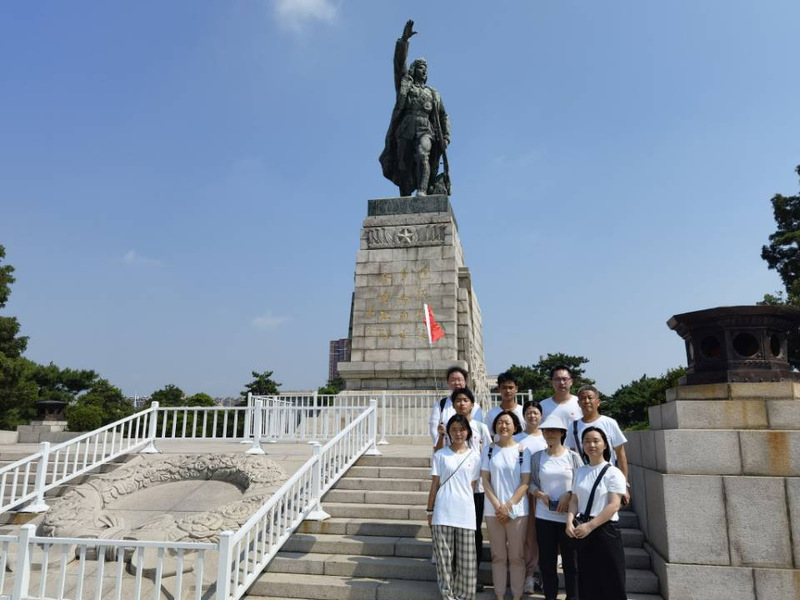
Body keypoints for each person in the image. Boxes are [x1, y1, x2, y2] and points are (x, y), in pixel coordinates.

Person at [379, 19, 451, 197]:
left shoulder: (433, 93)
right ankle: (405, 194)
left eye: (425, 68)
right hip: (405, 128)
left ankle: (422, 190)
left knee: (422, 154)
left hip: (425, 129)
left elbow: (443, 116)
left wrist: (446, 136)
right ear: (413, 69)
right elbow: (398, 64)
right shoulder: (405, 85)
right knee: (403, 163)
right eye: (420, 67)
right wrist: (404, 40)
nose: (424, 70)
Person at [566, 427, 628, 600]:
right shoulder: (580, 471)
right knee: (587, 581)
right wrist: (569, 521)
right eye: (587, 441)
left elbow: (614, 505)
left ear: (605, 445)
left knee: (611, 580)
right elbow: (574, 500)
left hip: (605, 530)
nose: (591, 445)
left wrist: (590, 526)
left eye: (596, 441)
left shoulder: (613, 472)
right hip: (582, 531)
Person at [427, 414, 482, 600]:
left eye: (462, 429)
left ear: (468, 432)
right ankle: (447, 595)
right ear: (448, 432)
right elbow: (434, 484)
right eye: (454, 430)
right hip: (442, 511)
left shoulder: (475, 456)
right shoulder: (440, 455)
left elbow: (471, 486)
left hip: (465, 512)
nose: (458, 433)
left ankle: (464, 596)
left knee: (467, 561)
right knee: (444, 560)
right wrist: (429, 510)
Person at [529, 414, 581, 600]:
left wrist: (569, 494)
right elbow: (531, 483)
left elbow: (582, 482)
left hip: (569, 519)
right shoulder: (537, 458)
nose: (550, 434)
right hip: (544, 517)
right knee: (547, 563)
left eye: (554, 430)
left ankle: (573, 596)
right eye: (546, 431)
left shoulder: (573, 457)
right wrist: (540, 494)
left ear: (562, 433)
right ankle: (550, 596)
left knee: (571, 563)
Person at [446, 387, 492, 593]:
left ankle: (473, 574)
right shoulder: (450, 427)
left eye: (465, 400)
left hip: (477, 489)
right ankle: (456, 573)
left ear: (472, 404)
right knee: (455, 531)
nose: (462, 403)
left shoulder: (480, 427)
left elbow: (489, 453)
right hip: (455, 488)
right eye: (458, 400)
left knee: (474, 532)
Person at [481, 411, 531, 600]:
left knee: (517, 556)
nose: (503, 426)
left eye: (507, 423)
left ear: (515, 427)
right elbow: (485, 480)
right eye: (500, 422)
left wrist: (508, 505)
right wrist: (498, 505)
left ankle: (517, 595)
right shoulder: (489, 450)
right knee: (498, 555)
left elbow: (525, 482)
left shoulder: (523, 451)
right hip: (493, 510)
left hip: (517, 510)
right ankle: (500, 595)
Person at [566, 384, 631, 505]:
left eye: (590, 398)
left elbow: (621, 455)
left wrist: (624, 485)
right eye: (582, 399)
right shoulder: (573, 426)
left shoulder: (609, 423)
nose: (586, 401)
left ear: (598, 402)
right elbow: (572, 457)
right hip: (584, 480)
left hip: (607, 478)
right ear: (578, 403)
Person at [513, 400, 547, 595]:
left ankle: (546, 573)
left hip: (545, 492)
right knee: (529, 536)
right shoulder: (516, 438)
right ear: (523, 415)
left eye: (536, 412)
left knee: (547, 535)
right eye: (529, 412)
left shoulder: (548, 436)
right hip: (524, 492)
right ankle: (529, 575)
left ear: (541, 415)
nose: (532, 416)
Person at [429, 366, 483, 448]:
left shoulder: (475, 406)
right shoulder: (440, 405)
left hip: (469, 450)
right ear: (448, 382)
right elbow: (433, 429)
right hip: (446, 450)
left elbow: (477, 430)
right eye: (453, 380)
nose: (456, 383)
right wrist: (442, 446)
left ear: (465, 382)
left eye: (460, 380)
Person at [485, 371, 524, 441]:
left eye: (511, 387)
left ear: (516, 389)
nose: (507, 391)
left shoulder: (524, 412)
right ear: (499, 389)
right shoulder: (491, 414)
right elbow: (489, 439)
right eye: (504, 388)